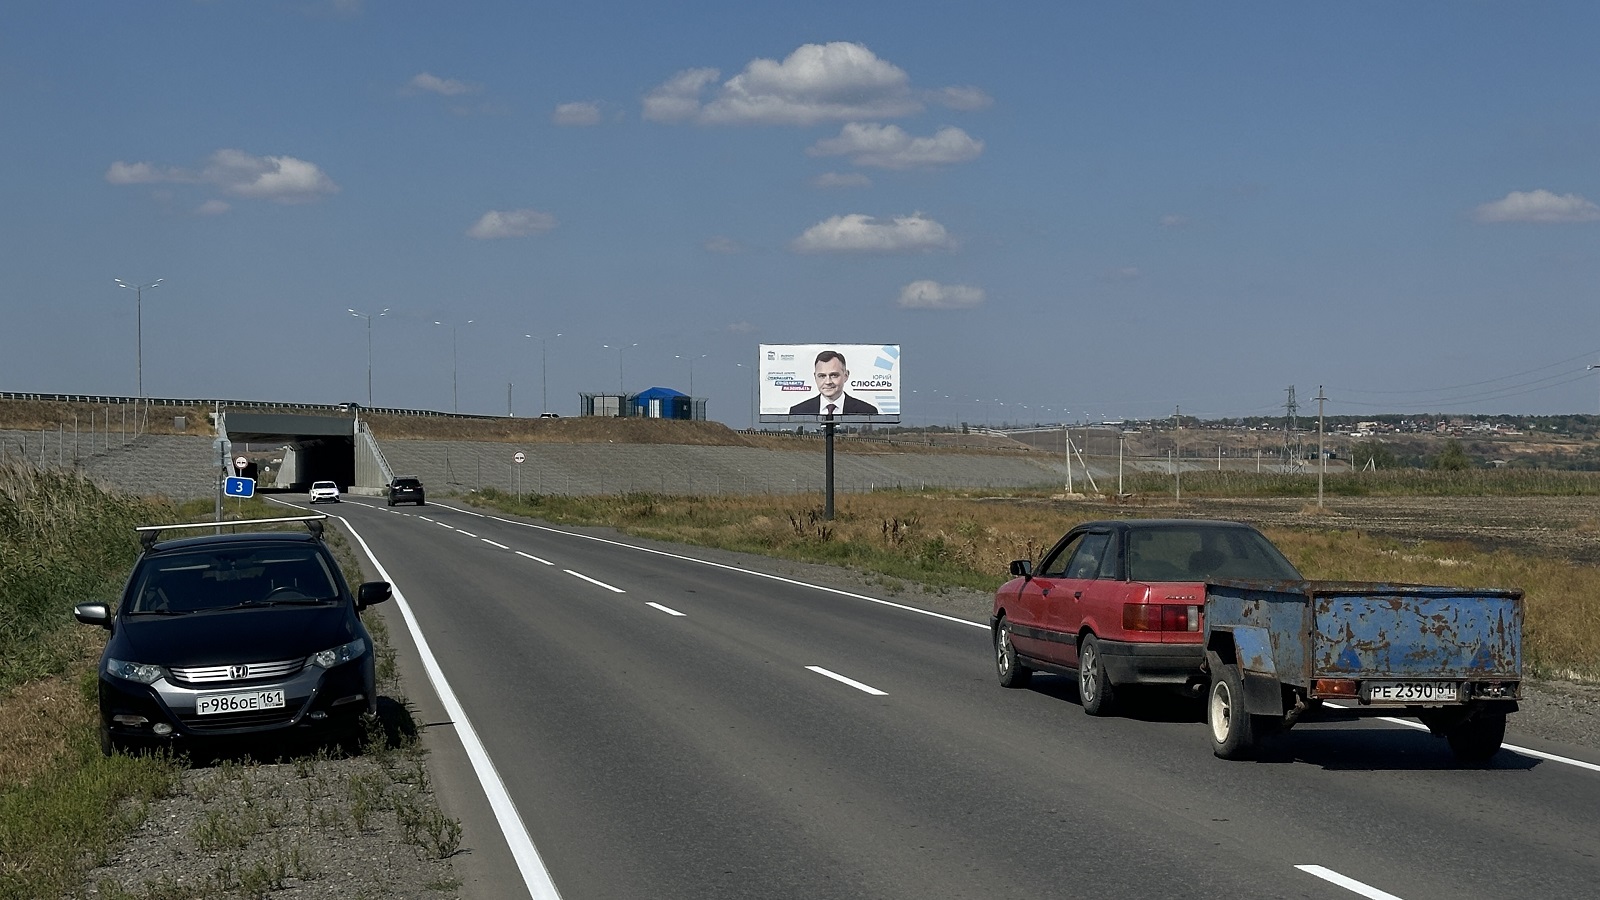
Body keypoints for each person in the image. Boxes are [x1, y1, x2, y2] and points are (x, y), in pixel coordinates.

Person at [788, 349, 879, 415]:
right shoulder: (798, 411)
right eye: (822, 376)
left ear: (846, 376)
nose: (828, 382)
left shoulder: (867, 412)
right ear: (815, 377)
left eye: (834, 375)